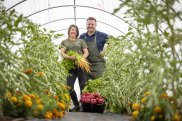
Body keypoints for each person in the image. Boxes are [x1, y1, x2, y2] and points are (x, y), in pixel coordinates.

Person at [60, 24, 89, 112]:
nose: (73, 31)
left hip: (81, 66)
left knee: (83, 85)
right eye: (72, 30)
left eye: (75, 30)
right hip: (70, 67)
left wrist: (81, 59)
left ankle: (84, 105)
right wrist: (69, 57)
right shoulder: (64, 42)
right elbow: (62, 53)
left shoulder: (81, 41)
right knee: (69, 86)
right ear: (69, 31)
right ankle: (76, 105)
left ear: (77, 33)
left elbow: (86, 52)